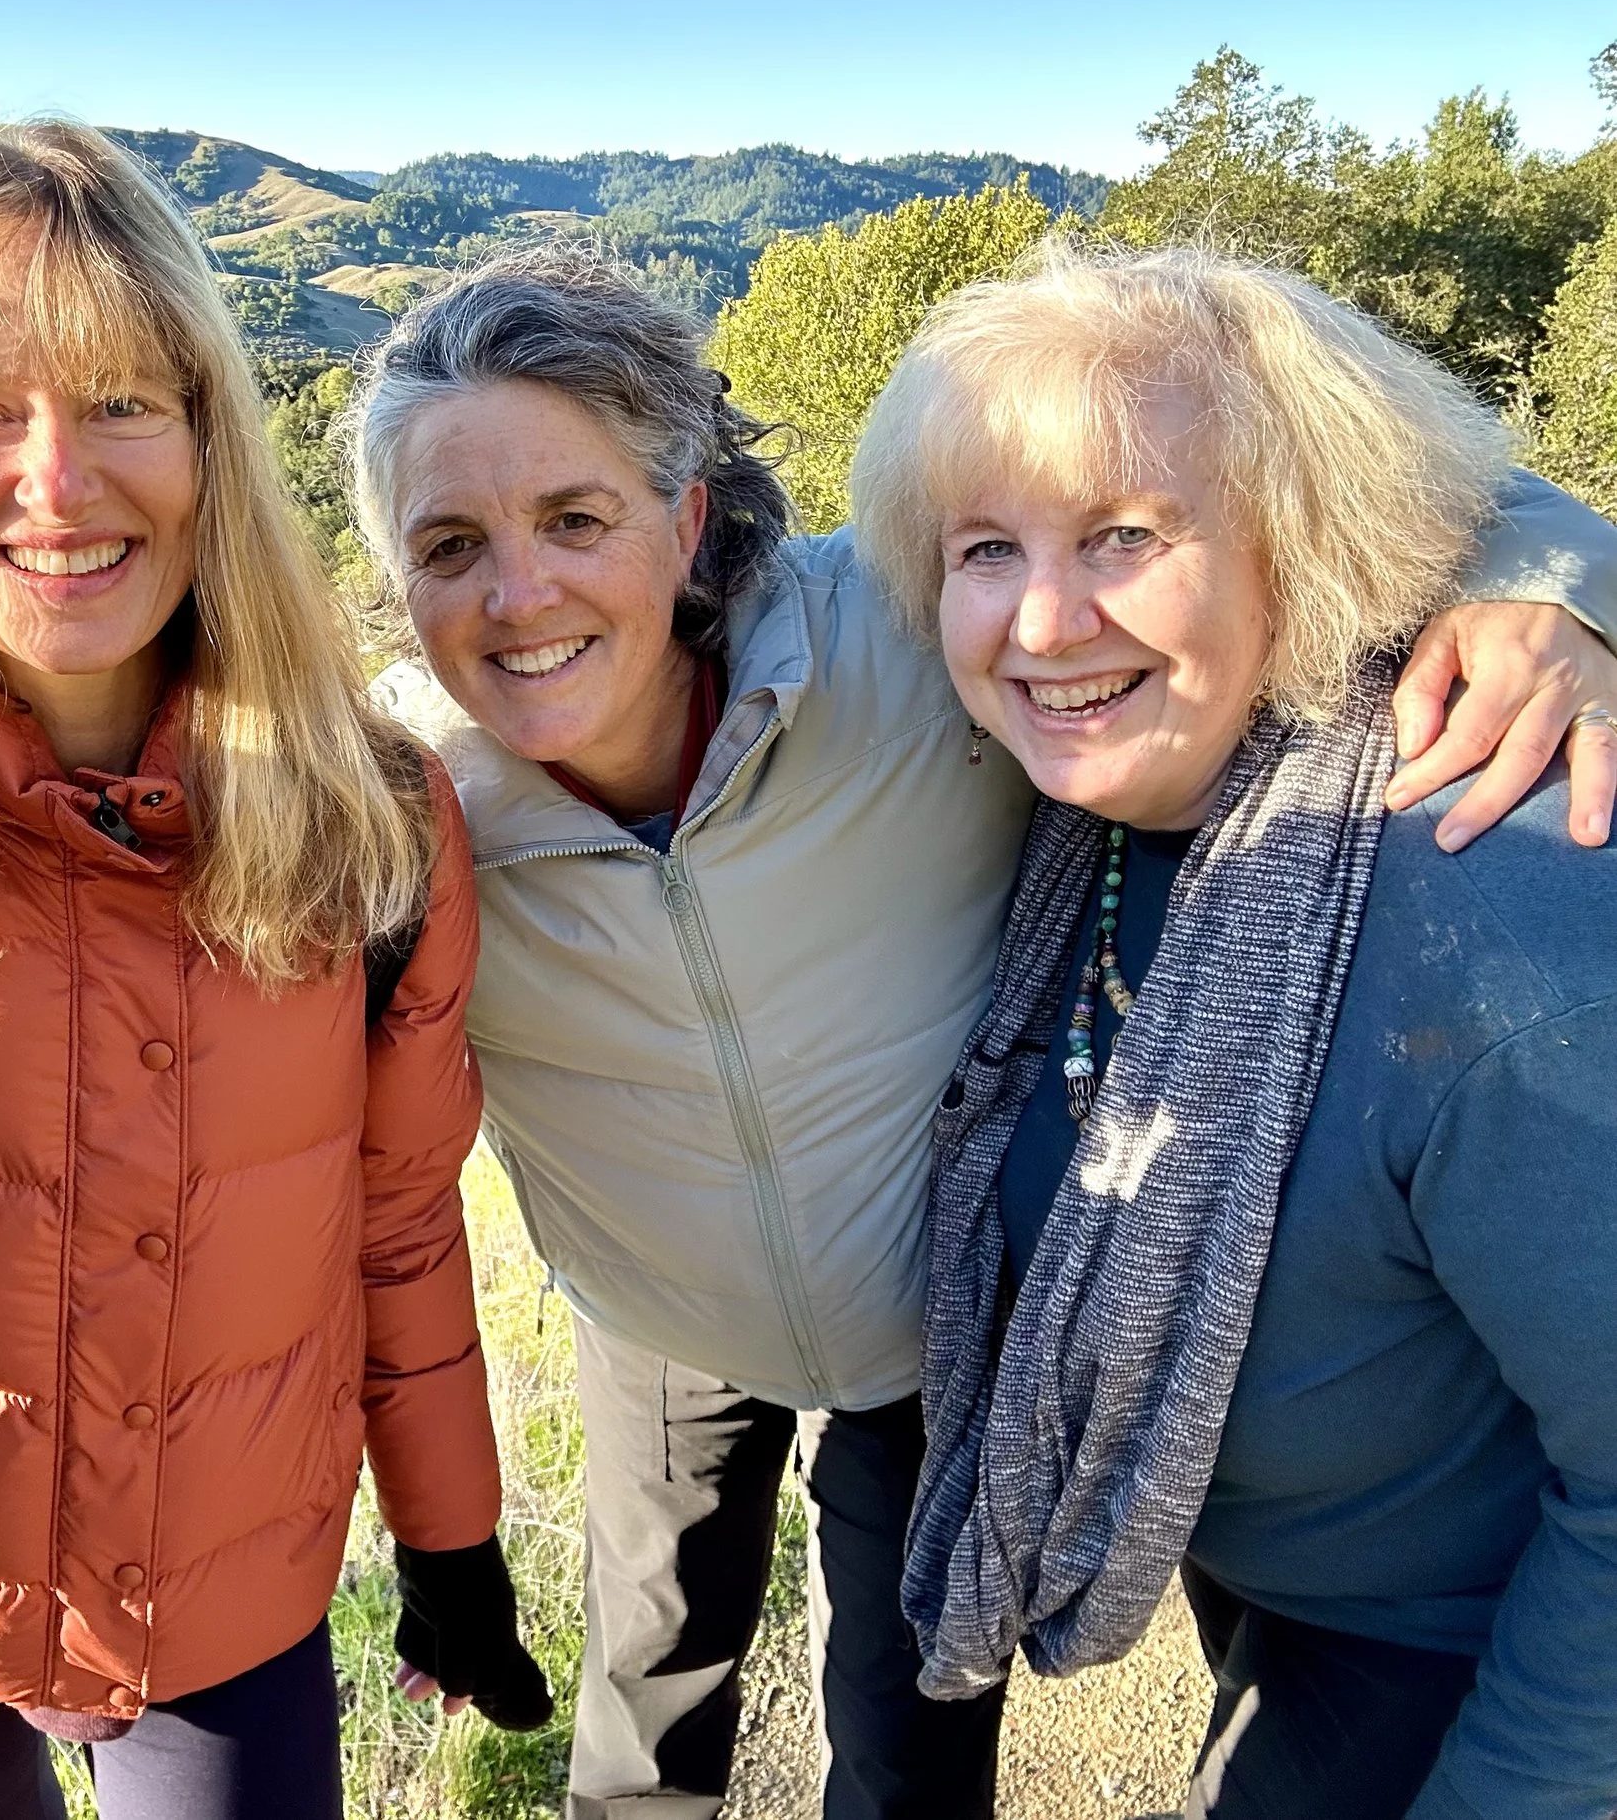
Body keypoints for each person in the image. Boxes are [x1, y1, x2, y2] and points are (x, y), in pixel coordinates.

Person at [347, 244, 1617, 1820]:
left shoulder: (912, 648)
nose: (518, 590)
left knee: (907, 1731)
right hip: (667, 1313)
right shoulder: (401, 817)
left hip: (931, 1330)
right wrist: (441, 1535)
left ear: (685, 523)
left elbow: (1364, 487)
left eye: (576, 518)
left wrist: (1554, 589)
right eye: (450, 542)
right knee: (646, 1708)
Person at [0, 121, 549, 1820]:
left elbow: (402, 1220)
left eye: (127, 401)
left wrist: (453, 1538)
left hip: (233, 1611)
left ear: (210, 438)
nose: (59, 484)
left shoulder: (371, 821)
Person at [886, 246, 1617, 1820]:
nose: (1043, 616)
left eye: (1125, 536)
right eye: (986, 547)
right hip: (1292, 1604)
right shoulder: (1088, 824)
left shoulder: (1489, 895)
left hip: (1491, 1657)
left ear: (1300, 543)